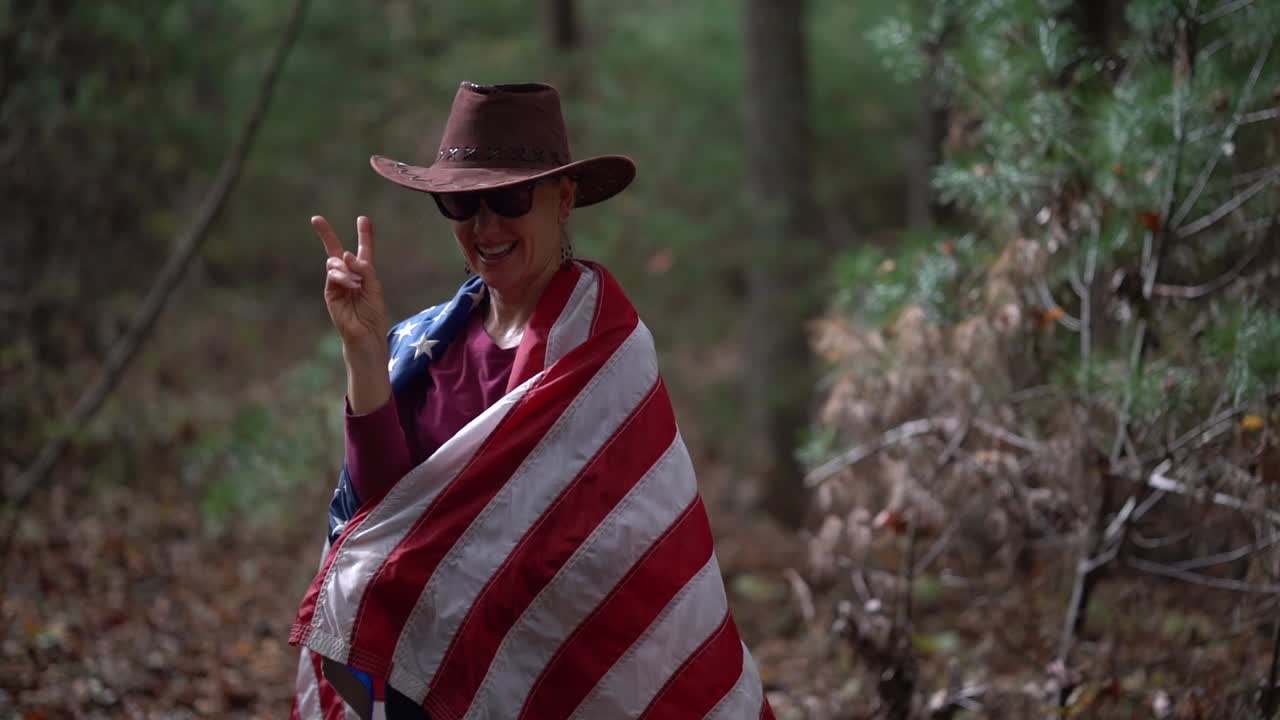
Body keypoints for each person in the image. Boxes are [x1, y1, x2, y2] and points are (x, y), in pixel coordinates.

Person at [291, 82, 771, 720]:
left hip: (568, 681)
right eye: (461, 205)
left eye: (509, 199)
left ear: (563, 198)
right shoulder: (420, 344)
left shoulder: (604, 352)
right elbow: (381, 514)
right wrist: (364, 350)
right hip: (429, 680)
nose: (485, 228)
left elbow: (610, 559)